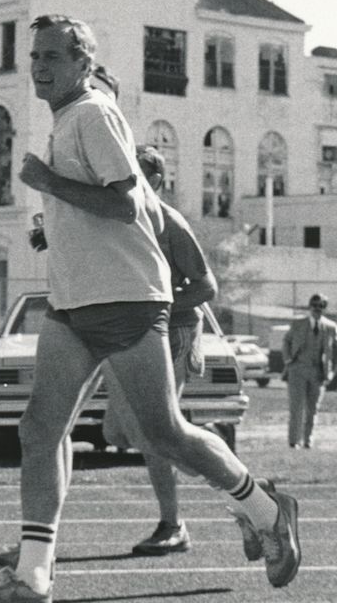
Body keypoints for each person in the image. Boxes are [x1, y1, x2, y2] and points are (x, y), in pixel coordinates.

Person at [0, 15, 300, 603]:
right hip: (72, 304)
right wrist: (50, 219)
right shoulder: (64, 118)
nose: (38, 67)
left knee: (164, 432)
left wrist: (48, 182)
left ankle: (267, 509)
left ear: (82, 64)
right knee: (40, 429)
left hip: (125, 300)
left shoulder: (93, 112)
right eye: (34, 56)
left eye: (51, 57)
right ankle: (34, 576)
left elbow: (124, 206)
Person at [100, 142, 218, 555]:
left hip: (176, 331)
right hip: (134, 332)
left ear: (155, 181)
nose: (125, 183)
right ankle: (210, 456)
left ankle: (173, 524)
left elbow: (206, 287)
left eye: (135, 175)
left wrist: (159, 304)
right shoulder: (125, 222)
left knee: (153, 435)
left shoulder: (170, 222)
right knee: (115, 430)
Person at [282, 293, 337, 448]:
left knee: (312, 409)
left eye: (321, 306)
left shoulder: (329, 327)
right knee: (296, 408)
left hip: (318, 373)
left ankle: (308, 440)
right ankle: (294, 441)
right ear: (310, 307)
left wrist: (331, 371)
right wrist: (288, 360)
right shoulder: (298, 324)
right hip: (297, 370)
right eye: (315, 306)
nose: (317, 309)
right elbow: (286, 341)